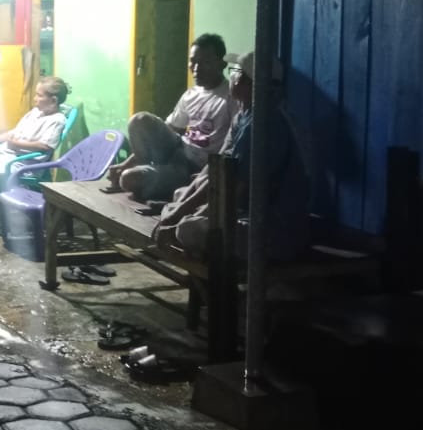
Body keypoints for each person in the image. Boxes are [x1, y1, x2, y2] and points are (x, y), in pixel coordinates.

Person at [157, 52, 310, 261]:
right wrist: (178, 212)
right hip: (245, 210)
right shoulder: (243, 116)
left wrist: (182, 217)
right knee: (180, 197)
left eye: (236, 71)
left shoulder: (262, 124)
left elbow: (235, 190)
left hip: (274, 229)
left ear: (249, 82)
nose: (232, 77)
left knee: (188, 228)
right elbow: (213, 171)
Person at [106, 33, 233, 202]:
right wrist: (126, 164)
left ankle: (170, 184)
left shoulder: (231, 97)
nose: (196, 68)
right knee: (139, 120)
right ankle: (149, 172)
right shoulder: (191, 94)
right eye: (193, 61)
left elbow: (230, 149)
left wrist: (205, 178)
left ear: (222, 64)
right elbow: (170, 129)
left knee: (128, 179)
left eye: (205, 62)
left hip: (195, 170)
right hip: (177, 153)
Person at [0, 76, 72, 233]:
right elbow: (12, 134)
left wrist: (17, 144)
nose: (35, 98)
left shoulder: (57, 120)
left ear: (53, 100)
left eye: (39, 95)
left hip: (23, 163)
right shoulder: (35, 113)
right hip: (3, 154)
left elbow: (45, 146)